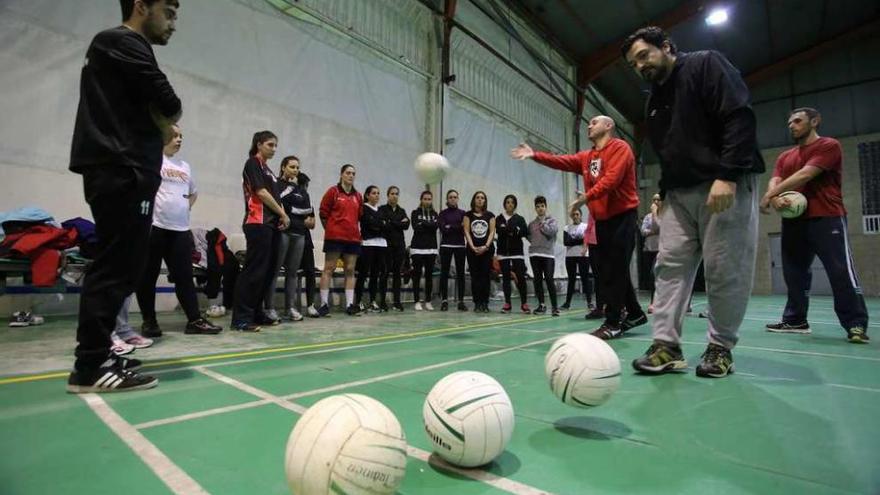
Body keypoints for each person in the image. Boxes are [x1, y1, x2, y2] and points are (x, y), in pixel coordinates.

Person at [622, 27, 765, 377]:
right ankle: (666, 346)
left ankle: (720, 348)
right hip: (679, 194)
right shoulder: (654, 100)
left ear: (667, 46)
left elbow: (738, 116)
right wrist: (664, 189)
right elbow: (669, 148)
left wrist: (728, 174)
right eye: (633, 64)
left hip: (722, 184)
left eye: (644, 56)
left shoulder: (705, 65)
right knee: (668, 267)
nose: (640, 66)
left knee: (724, 269)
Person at [67, 0, 181, 393]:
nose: (173, 23)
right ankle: (90, 365)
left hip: (126, 168)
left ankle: (99, 354)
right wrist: (165, 120)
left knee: (125, 264)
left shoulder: (120, 50)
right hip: (121, 167)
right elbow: (170, 102)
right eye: (168, 11)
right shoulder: (122, 43)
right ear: (140, 6)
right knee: (116, 265)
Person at [512, 115, 645, 336]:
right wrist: (535, 155)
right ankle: (635, 313)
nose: (589, 125)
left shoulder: (620, 148)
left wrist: (585, 198)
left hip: (623, 217)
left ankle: (613, 323)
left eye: (594, 122)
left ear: (608, 126)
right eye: (588, 123)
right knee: (607, 271)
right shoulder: (588, 156)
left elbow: (611, 179)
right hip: (602, 221)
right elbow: (561, 161)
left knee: (616, 270)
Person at [761, 108, 869, 343]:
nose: (792, 125)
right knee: (794, 273)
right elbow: (776, 178)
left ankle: (856, 324)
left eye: (798, 121)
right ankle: (795, 320)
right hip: (793, 222)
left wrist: (768, 196)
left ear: (815, 121)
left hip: (826, 217)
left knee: (840, 271)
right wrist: (775, 195)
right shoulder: (784, 156)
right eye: (789, 122)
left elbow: (805, 175)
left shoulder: (828, 146)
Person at [136, 124, 221, 337]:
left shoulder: (184, 166)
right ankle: (149, 321)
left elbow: (193, 192)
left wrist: (185, 206)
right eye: (175, 136)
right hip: (154, 227)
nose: (179, 139)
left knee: (184, 276)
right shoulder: (152, 159)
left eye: (181, 136)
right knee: (148, 275)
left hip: (180, 229)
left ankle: (194, 320)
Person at [231, 131, 289, 332]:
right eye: (270, 145)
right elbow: (261, 193)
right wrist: (283, 213)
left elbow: (273, 195)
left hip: (271, 225)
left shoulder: (269, 170)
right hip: (257, 223)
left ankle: (256, 312)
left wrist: (280, 217)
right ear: (259, 144)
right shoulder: (252, 164)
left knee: (267, 272)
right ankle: (241, 318)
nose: (274, 149)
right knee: (254, 271)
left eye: (275, 146)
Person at [266, 155, 312, 322]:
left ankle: (290, 308)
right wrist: (291, 209)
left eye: (297, 167)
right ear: (283, 167)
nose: (295, 170)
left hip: (299, 234)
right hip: (282, 232)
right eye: (292, 167)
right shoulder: (276, 185)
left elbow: (307, 211)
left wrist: (290, 208)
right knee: (275, 270)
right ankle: (269, 308)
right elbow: (277, 204)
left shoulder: (301, 190)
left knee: (292, 272)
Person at [315, 164, 363, 316]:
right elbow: (323, 213)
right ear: (341, 174)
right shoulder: (333, 192)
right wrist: (330, 230)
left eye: (353, 173)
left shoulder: (358, 196)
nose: (351, 176)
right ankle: (323, 304)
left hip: (353, 238)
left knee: (350, 270)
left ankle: (349, 304)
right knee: (329, 268)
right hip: (335, 237)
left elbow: (359, 216)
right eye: (348, 173)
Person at [355, 185, 388, 313]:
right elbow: (369, 224)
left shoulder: (381, 210)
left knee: (376, 274)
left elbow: (386, 225)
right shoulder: (363, 208)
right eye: (374, 193)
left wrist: (379, 224)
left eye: (378, 193)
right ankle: (358, 301)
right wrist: (380, 224)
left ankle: (373, 300)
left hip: (381, 244)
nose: (376, 195)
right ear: (367, 195)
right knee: (363, 273)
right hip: (368, 244)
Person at [495, 194, 530, 314]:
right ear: (504, 204)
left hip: (517, 252)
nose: (510, 204)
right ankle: (507, 303)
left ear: (515, 205)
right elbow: (500, 230)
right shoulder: (499, 218)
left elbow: (524, 231)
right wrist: (514, 230)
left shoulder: (520, 218)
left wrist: (512, 230)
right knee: (505, 278)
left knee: (520, 277)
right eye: (508, 202)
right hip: (502, 253)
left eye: (512, 202)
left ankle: (524, 303)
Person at [527, 196, 560, 316]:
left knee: (549, 279)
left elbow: (551, 232)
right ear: (535, 208)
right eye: (537, 206)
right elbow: (529, 236)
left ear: (546, 207)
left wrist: (542, 224)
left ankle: (555, 307)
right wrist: (535, 244)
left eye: (542, 206)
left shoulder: (552, 221)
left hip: (548, 255)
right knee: (537, 280)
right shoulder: (531, 224)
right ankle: (541, 305)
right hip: (534, 254)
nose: (540, 208)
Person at [464, 191, 496, 313]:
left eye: (482, 198)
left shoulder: (490, 215)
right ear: (474, 200)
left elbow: (492, 232)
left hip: (487, 251)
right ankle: (477, 303)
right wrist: (472, 247)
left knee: (485, 276)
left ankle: (485, 302)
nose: (480, 200)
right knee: (475, 276)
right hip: (472, 250)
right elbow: (466, 231)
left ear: (485, 201)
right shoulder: (468, 215)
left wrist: (486, 246)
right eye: (477, 197)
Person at [379, 186, 409, 311]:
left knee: (397, 273)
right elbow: (384, 225)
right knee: (385, 273)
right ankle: (382, 301)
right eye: (392, 193)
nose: (394, 196)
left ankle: (397, 301)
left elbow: (406, 225)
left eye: (397, 194)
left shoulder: (401, 210)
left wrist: (392, 222)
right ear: (388, 195)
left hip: (399, 246)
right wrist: (398, 223)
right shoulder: (382, 209)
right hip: (386, 246)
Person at [438, 189, 468, 311]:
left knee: (461, 274)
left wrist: (450, 226)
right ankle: (444, 300)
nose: (453, 199)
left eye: (455, 197)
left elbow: (464, 228)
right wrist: (457, 226)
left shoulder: (463, 213)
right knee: (444, 273)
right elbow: (443, 229)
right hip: (446, 246)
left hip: (460, 246)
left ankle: (461, 301)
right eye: (450, 197)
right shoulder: (442, 213)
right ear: (447, 199)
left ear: (458, 199)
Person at [410, 191, 439, 310]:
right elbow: (416, 227)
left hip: (431, 248)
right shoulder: (415, 213)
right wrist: (429, 225)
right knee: (416, 275)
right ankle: (417, 301)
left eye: (429, 199)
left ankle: (428, 300)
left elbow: (435, 227)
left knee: (428, 276)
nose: (427, 201)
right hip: (417, 248)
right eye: (425, 199)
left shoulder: (435, 213)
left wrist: (424, 223)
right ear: (421, 200)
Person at [562, 208, 594, 311]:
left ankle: (589, 302)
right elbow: (566, 242)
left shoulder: (585, 227)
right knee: (571, 279)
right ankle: (567, 303)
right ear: (571, 216)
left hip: (583, 255)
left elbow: (587, 240)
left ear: (580, 215)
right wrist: (580, 240)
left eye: (577, 214)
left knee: (585, 279)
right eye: (573, 214)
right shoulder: (567, 228)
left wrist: (574, 240)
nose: (575, 216)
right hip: (570, 256)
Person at [641, 194, 661, 313]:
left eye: (658, 199)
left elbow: (661, 228)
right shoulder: (648, 217)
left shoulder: (663, 215)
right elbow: (643, 231)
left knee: (654, 274)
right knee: (651, 277)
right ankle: (655, 301)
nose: (655, 201)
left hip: (661, 250)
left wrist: (654, 230)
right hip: (649, 249)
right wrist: (652, 231)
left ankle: (654, 302)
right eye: (654, 199)